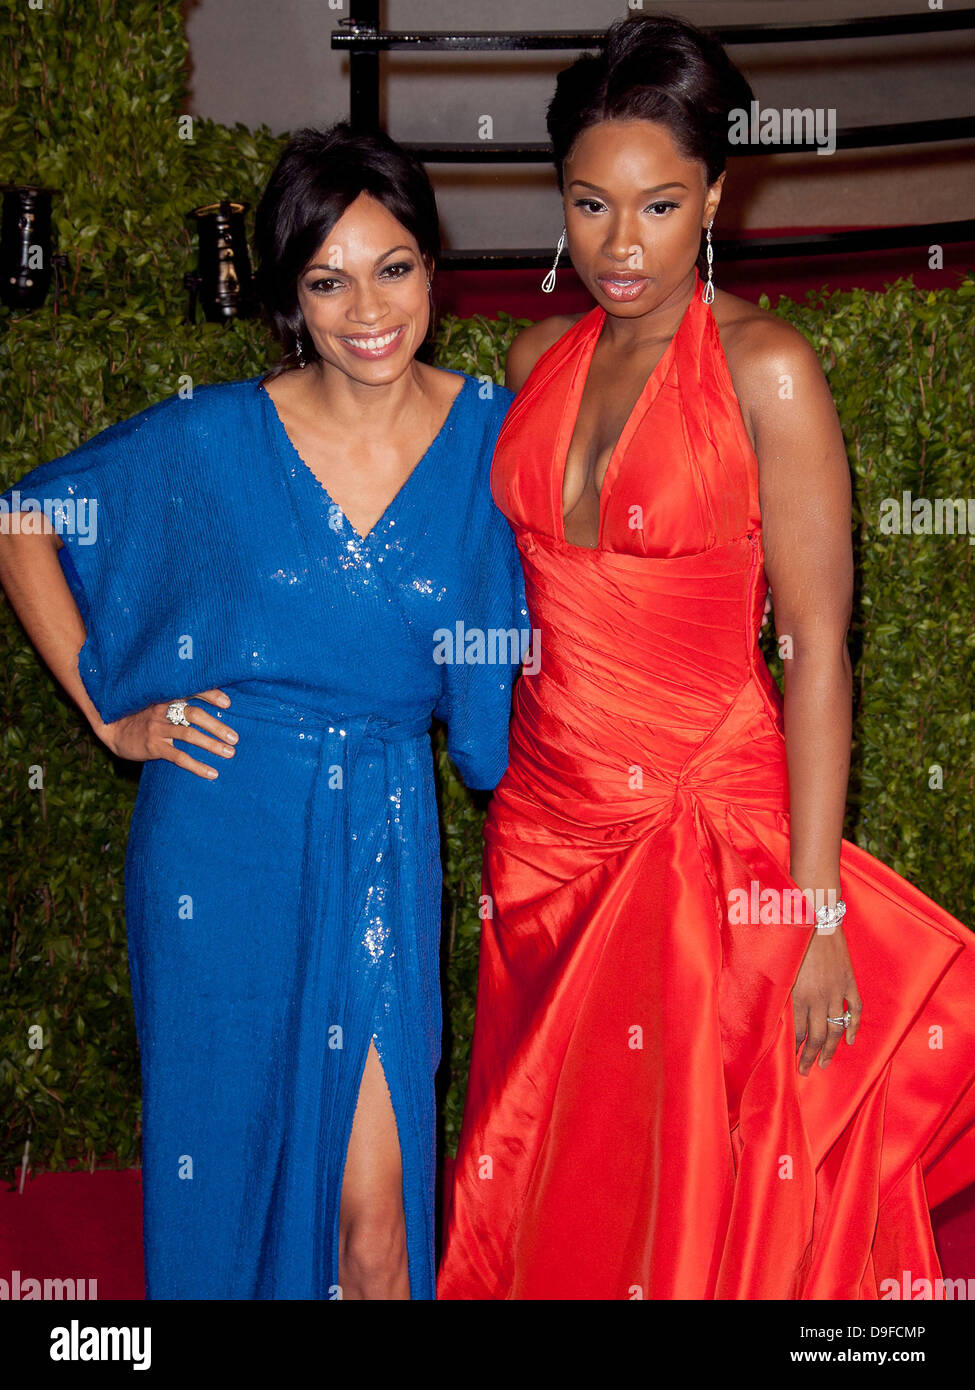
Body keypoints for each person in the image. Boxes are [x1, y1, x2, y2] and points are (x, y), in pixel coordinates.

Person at [437, 14, 975, 1300]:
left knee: (682, 1198)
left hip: (695, 843)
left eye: (662, 205)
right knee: (535, 1170)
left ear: (719, 195)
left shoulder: (767, 372)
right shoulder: (533, 358)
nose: (623, 246)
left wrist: (815, 911)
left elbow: (820, 651)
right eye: (591, 203)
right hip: (543, 836)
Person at [0, 123, 526, 1300]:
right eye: (327, 280)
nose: (366, 309)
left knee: (379, 1223)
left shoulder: (496, 433)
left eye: (393, 268)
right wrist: (108, 710)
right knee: (223, 1178)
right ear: (292, 293)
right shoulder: (216, 437)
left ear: (433, 266)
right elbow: (20, 519)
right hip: (219, 831)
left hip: (383, 827)